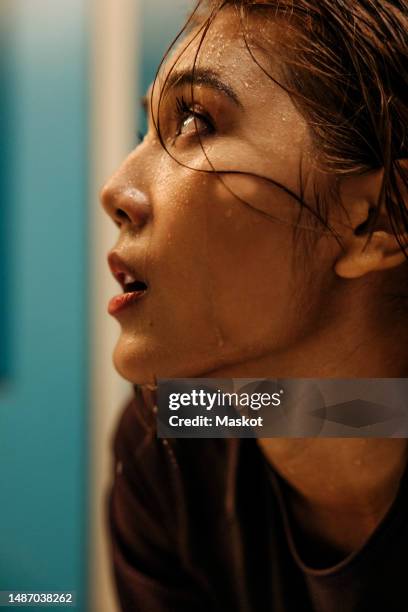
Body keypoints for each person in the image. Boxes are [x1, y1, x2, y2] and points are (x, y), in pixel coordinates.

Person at [101, 1, 408, 610]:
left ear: (375, 220)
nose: (117, 190)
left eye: (194, 120)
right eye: (147, 128)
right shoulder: (172, 443)